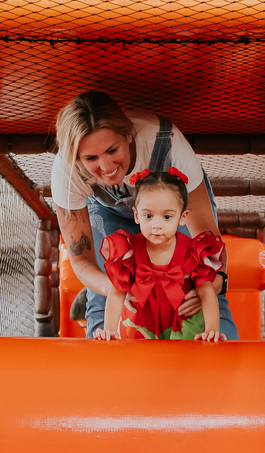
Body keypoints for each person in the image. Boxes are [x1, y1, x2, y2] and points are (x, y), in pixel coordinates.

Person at [51, 91, 238, 339]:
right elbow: (82, 260)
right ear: (76, 158)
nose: (106, 167)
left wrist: (214, 284)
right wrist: (112, 287)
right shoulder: (67, 173)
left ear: (127, 135)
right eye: (91, 158)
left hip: (170, 204)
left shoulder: (167, 144)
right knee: (104, 300)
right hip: (108, 210)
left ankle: (220, 370)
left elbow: (209, 244)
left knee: (200, 289)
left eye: (111, 150)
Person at [96, 168, 225, 341]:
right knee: (140, 363)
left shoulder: (192, 251)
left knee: (182, 364)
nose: (156, 225)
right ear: (136, 215)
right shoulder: (128, 250)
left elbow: (206, 290)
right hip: (142, 323)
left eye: (167, 217)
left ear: (182, 217)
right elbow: (117, 291)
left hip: (182, 323)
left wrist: (211, 329)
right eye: (148, 216)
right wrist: (110, 329)